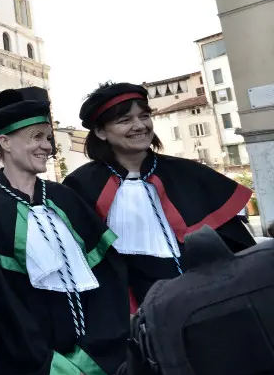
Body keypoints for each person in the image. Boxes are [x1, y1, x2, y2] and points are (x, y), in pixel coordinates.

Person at [0, 87, 131, 375]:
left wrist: (97, 357)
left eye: (48, 138)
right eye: (36, 137)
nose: (46, 146)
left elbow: (109, 281)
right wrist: (48, 368)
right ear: (5, 142)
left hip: (98, 367)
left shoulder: (65, 198)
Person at [63, 82, 255, 308]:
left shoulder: (190, 173)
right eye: (125, 120)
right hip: (132, 310)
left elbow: (238, 249)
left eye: (144, 116)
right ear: (100, 131)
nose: (139, 126)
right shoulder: (81, 185)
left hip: (209, 302)